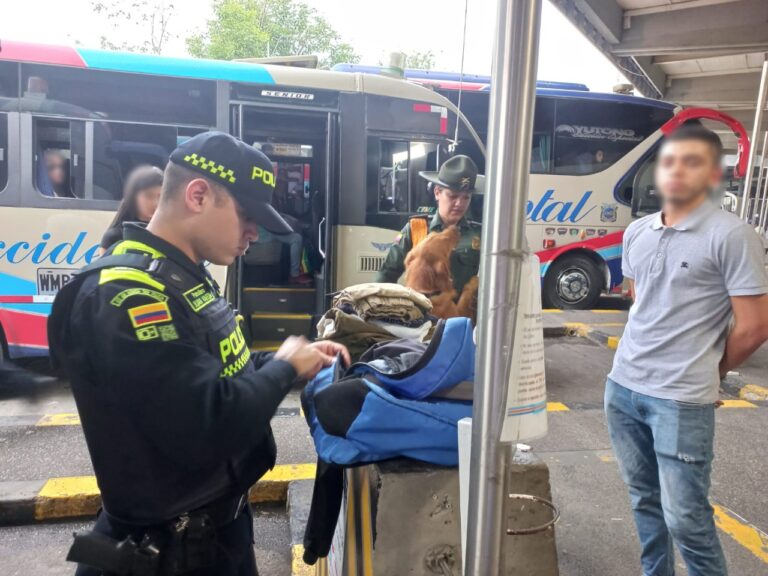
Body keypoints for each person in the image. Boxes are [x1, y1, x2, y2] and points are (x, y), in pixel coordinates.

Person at [47, 131, 350, 576]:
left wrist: (295, 360)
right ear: (198, 195)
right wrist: (283, 367)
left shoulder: (182, 277)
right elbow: (206, 424)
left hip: (213, 538)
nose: (255, 232)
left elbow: (214, 372)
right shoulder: (125, 297)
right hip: (170, 553)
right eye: (247, 215)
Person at [605, 125, 768, 576]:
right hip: (621, 389)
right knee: (644, 503)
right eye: (670, 160)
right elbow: (641, 300)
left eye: (692, 161)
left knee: (687, 520)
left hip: (680, 400)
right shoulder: (637, 231)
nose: (677, 170)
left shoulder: (733, 235)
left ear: (713, 174)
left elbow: (755, 326)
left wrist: (711, 371)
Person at [376, 155, 483, 295]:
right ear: (437, 192)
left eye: (466, 197)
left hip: (462, 314)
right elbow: (386, 274)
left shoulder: (478, 234)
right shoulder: (416, 229)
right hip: (422, 315)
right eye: (453, 196)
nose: (460, 203)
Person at [99, 165, 163, 253]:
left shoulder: (167, 235)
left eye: (160, 197)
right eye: (149, 196)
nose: (156, 203)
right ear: (133, 197)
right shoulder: (114, 236)